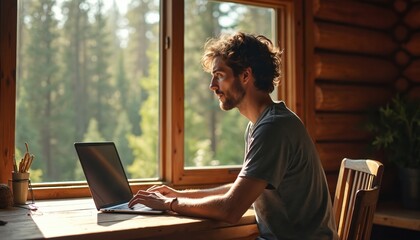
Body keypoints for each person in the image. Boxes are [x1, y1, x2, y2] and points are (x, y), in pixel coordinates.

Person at [129, 32, 338, 239]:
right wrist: (180, 194)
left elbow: (230, 208)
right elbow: (242, 189)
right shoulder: (260, 125)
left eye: (219, 75)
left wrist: (169, 204)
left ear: (246, 76)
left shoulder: (273, 127)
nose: (212, 85)